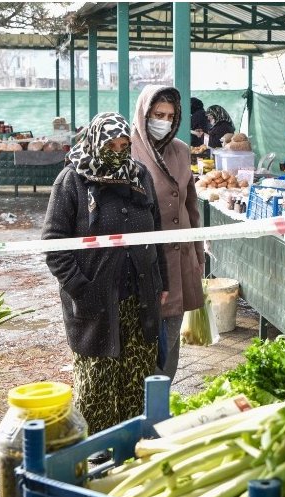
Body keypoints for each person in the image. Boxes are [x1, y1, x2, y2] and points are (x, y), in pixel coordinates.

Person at [43, 112, 169, 434]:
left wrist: (162, 283)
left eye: (124, 145)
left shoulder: (139, 175)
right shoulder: (72, 181)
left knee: (137, 380)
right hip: (95, 302)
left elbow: (156, 233)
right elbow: (54, 242)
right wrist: (79, 287)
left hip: (140, 297)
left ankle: (135, 445)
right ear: (95, 142)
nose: (117, 151)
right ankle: (94, 452)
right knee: (97, 383)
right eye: (110, 145)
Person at [131, 86, 206, 380]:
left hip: (179, 260)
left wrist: (198, 256)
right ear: (144, 114)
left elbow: (192, 206)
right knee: (144, 343)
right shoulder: (128, 150)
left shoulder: (181, 151)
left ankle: (161, 403)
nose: (163, 121)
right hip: (143, 264)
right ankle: (140, 406)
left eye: (169, 116)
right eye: (157, 114)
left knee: (171, 344)